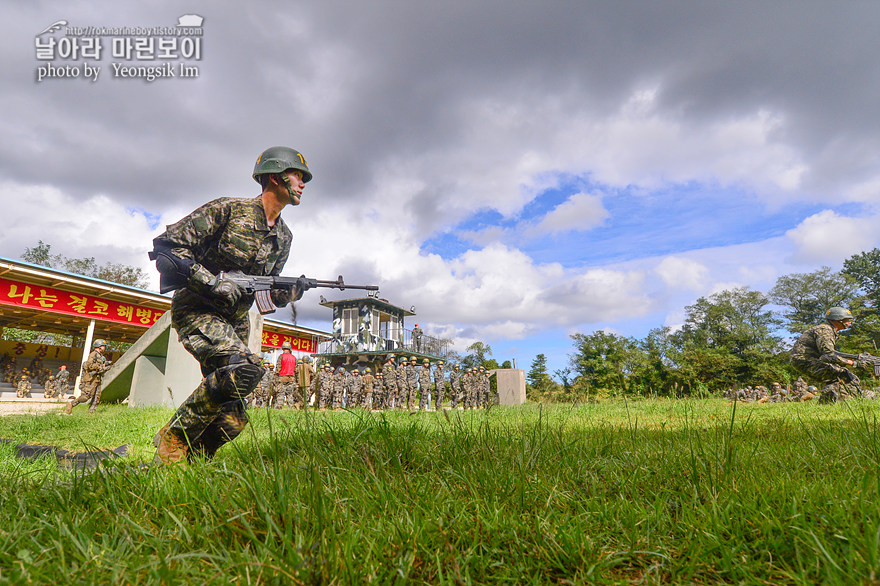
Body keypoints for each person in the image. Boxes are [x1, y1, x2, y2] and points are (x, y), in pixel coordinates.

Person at [150, 146, 311, 464]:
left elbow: (267, 293)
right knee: (244, 367)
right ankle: (173, 439)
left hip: (235, 320)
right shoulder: (228, 209)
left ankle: (197, 461)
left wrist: (291, 292)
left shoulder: (284, 237)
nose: (303, 182)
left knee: (234, 418)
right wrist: (209, 281)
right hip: (197, 309)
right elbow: (166, 248)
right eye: (297, 175)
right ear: (274, 177)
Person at [790, 307, 860, 403]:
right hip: (804, 360)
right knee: (841, 374)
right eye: (847, 320)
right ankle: (830, 402)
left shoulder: (828, 330)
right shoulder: (826, 330)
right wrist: (852, 363)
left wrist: (855, 358)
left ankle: (835, 401)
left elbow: (831, 353)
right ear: (838, 320)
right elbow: (828, 355)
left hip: (805, 359)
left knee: (838, 373)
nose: (849, 322)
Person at [66, 339, 112, 413]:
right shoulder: (93, 354)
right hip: (91, 379)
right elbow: (89, 365)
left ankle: (91, 412)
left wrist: (106, 365)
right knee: (86, 396)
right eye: (103, 346)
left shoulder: (100, 355)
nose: (104, 348)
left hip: (97, 379)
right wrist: (99, 367)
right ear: (99, 346)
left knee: (97, 397)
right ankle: (72, 404)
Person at [275, 342, 297, 408]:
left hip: (282, 377)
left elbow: (278, 367)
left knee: (280, 393)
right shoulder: (294, 357)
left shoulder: (281, 356)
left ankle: (279, 407)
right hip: (291, 378)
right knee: (290, 394)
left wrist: (276, 376)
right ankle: (291, 407)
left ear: (283, 348)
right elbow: (295, 369)